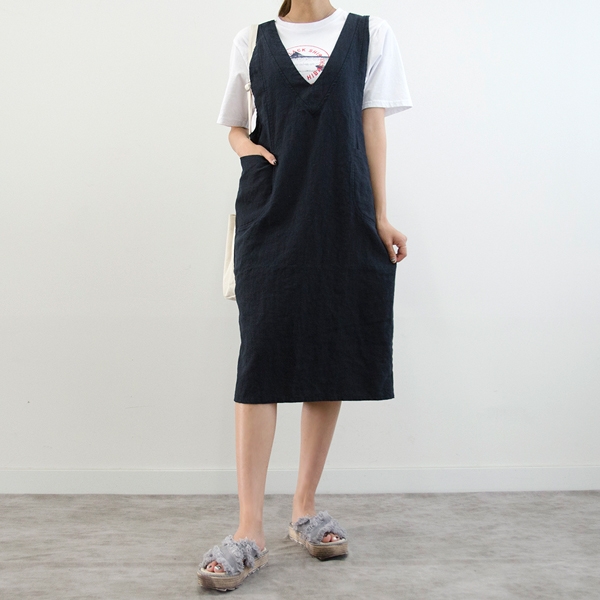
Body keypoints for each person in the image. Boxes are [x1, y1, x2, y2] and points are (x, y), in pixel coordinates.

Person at [198, 0, 412, 591]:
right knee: (261, 360)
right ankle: (248, 530)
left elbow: (373, 125)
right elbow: (236, 124)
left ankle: (304, 510)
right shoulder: (252, 39)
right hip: (271, 209)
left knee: (328, 351)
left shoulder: (370, 35)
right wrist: (249, 152)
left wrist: (381, 215)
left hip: (342, 207)